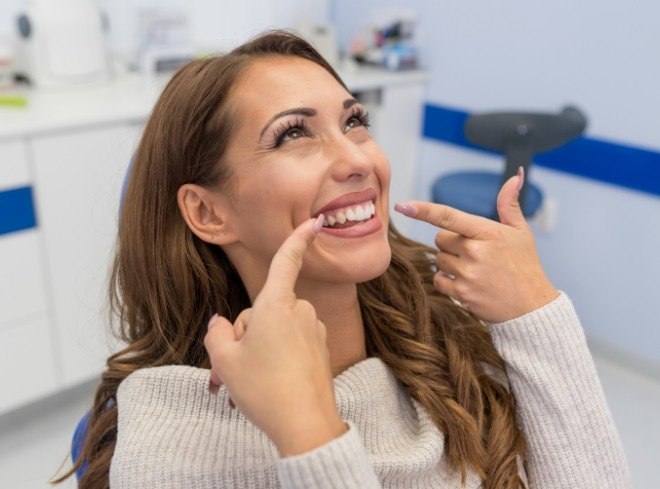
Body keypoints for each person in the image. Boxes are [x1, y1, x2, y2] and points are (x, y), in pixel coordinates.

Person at [56, 30, 631, 488]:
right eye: (292, 136)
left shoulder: (447, 339)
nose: (358, 160)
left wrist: (534, 314)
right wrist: (310, 435)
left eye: (354, 121)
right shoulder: (172, 448)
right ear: (208, 213)